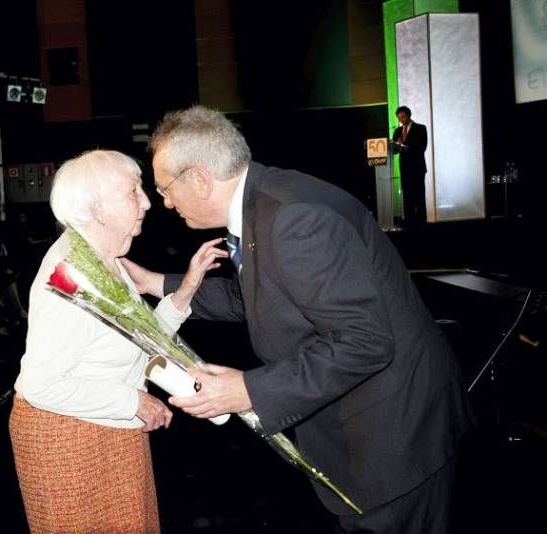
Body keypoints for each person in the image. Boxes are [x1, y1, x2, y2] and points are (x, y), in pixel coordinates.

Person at [122, 106, 473, 533]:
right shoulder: (266, 201)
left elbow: (365, 342)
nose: (165, 203)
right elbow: (250, 295)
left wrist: (246, 390)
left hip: (393, 439)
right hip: (380, 430)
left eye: (165, 189)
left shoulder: (292, 219)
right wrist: (154, 282)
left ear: (199, 177)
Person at [9, 150, 227, 533]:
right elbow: (42, 386)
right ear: (97, 208)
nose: (146, 202)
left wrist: (186, 289)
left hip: (108, 425)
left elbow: (139, 339)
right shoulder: (70, 275)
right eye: (133, 192)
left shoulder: (107, 260)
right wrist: (135, 400)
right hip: (67, 440)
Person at [392, 105, 428, 227]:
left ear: (409, 115)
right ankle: (409, 223)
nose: (401, 119)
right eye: (399, 118)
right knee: (407, 197)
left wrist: (406, 146)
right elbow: (394, 150)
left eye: (403, 116)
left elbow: (422, 147)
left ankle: (422, 223)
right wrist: (396, 147)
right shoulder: (397, 131)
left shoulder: (421, 128)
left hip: (417, 168)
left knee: (419, 196)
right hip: (405, 169)